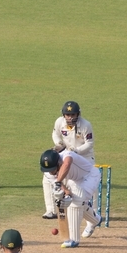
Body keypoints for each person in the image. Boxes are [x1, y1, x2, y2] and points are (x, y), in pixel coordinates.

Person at [42, 101, 96, 241]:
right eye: (67, 114)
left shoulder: (86, 125)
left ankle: (91, 223)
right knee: (50, 177)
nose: (70, 117)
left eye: (72, 114)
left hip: (84, 159)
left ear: (78, 114)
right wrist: (59, 144)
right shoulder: (59, 122)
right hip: (67, 156)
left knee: (86, 191)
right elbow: (55, 134)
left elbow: (89, 144)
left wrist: (76, 151)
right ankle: (51, 210)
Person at [40, 148, 101, 248]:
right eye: (48, 171)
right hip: (74, 181)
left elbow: (67, 164)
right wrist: (65, 193)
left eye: (53, 170)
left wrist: (58, 182)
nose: (51, 173)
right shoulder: (48, 173)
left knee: (77, 199)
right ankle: (95, 220)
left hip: (90, 176)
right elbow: (61, 187)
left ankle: (73, 239)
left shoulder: (66, 155)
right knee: (76, 200)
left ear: (58, 162)